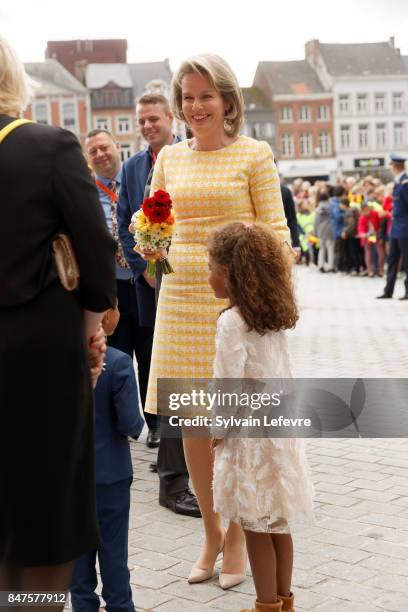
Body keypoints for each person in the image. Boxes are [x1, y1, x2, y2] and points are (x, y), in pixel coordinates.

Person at [143, 54, 291, 589]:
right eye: (187, 97)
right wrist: (149, 244)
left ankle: (236, 538)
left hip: (234, 305)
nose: (196, 106)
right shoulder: (170, 159)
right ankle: (210, 531)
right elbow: (154, 216)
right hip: (182, 298)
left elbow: (276, 235)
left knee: (236, 429)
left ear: (228, 100)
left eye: (206, 96)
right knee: (194, 426)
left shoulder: (255, 155)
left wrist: (261, 298)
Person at [0, 37, 116, 599]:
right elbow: (95, 246)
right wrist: (91, 322)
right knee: (45, 506)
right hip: (35, 348)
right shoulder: (46, 145)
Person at [208, 223, 314, 612]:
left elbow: (227, 383)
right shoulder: (269, 317)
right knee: (279, 521)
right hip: (279, 430)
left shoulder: (231, 322)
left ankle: (265, 604)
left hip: (248, 438)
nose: (208, 275)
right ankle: (285, 601)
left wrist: (218, 428)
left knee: (255, 525)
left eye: (212, 266)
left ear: (231, 273)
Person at [117, 94, 200, 517]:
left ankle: (188, 461)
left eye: (154, 118)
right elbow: (126, 221)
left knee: (188, 378)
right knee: (159, 369)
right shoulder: (132, 167)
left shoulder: (187, 155)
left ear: (171, 118)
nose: (148, 125)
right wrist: (144, 267)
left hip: (193, 282)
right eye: (141, 120)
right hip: (151, 282)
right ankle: (172, 467)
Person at [85, 129, 159, 448]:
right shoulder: (86, 193)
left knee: (150, 355)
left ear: (118, 147)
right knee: (116, 357)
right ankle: (123, 421)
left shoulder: (136, 179)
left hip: (143, 282)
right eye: (93, 152)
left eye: (104, 147)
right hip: (110, 289)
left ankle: (156, 424)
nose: (100, 155)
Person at [70, 308, 144, 612]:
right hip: (110, 474)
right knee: (114, 554)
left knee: (77, 562)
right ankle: (119, 605)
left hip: (68, 477)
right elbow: (130, 424)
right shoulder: (118, 362)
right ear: (109, 317)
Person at [377, 154, 408, 300]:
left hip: (405, 228)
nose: (391, 168)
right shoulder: (398, 182)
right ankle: (388, 290)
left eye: (391, 165)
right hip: (396, 228)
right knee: (392, 260)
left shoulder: (405, 183)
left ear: (395, 166)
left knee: (406, 261)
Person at [314, 189, 334, 272]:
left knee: (322, 248)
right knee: (331, 248)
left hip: (321, 230)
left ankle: (320, 265)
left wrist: (315, 232)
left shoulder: (318, 209)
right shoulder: (331, 207)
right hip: (330, 229)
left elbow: (316, 222)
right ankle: (330, 266)